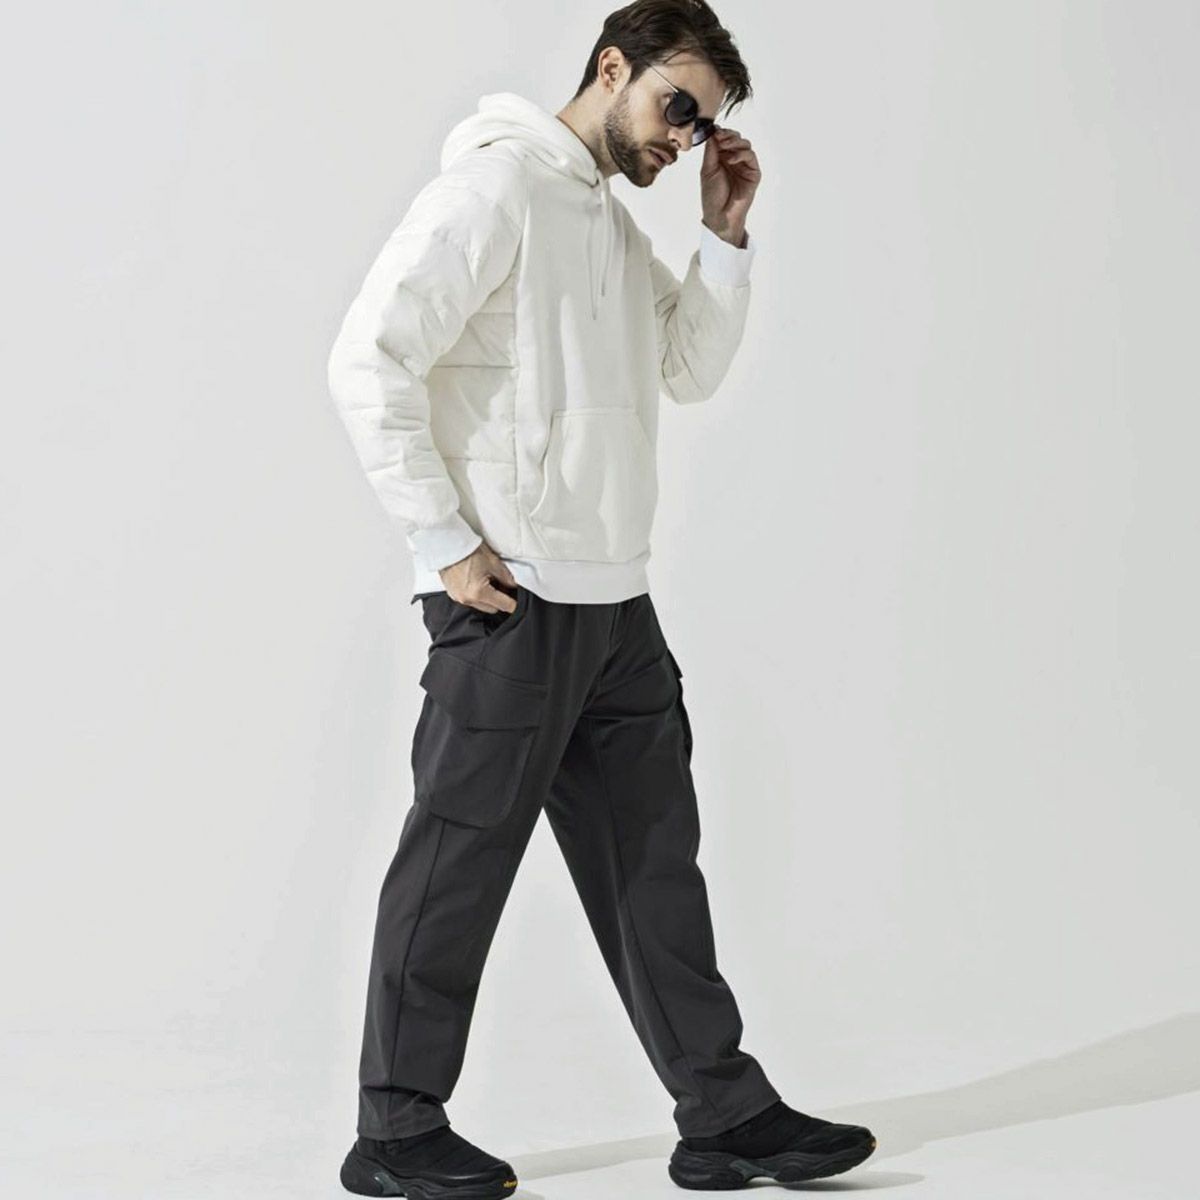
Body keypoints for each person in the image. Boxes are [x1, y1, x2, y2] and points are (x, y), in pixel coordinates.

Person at [326, 2, 877, 1194]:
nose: (685, 136)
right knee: (459, 863)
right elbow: (369, 358)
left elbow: (686, 368)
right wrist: (444, 541)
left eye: (705, 123)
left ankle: (722, 1113)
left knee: (654, 870)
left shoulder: (608, 225)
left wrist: (723, 235)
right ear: (611, 68)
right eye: (678, 107)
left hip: (615, 602)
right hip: (510, 604)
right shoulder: (495, 190)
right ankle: (395, 1129)